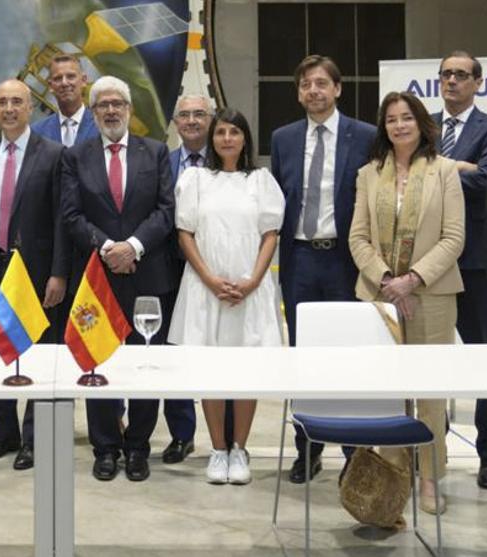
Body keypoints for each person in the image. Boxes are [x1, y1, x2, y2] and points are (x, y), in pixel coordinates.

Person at [350, 91, 465, 513]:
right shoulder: (368, 173)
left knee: (430, 393)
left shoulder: (445, 172)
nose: (399, 126)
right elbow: (357, 237)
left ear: (421, 123)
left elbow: (454, 237)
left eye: (407, 118)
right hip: (378, 299)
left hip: (431, 298)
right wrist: (386, 280)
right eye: (391, 119)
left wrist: (412, 281)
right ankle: (392, 475)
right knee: (388, 393)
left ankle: (431, 478)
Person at [60, 76, 176, 482]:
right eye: (103, 104)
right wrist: (109, 248)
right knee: (98, 363)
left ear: (129, 109)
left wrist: (134, 247)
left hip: (147, 275)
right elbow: (72, 215)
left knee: (145, 365)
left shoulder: (157, 152)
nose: (111, 110)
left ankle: (139, 447)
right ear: (93, 113)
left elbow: (165, 210)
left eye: (118, 103)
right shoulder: (76, 156)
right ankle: (106, 446)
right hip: (98, 277)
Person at [268, 54, 376, 484]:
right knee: (303, 358)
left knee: (351, 357)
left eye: (321, 83)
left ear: (337, 89)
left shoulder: (365, 135)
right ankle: (307, 447)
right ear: (298, 93)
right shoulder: (284, 138)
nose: (313, 91)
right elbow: (278, 200)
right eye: (305, 85)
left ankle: (354, 452)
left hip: (346, 260)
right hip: (299, 260)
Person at [168, 108, 285, 485]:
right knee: (212, 371)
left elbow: (270, 234)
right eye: (221, 132)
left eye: (235, 132)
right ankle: (217, 449)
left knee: (245, 371)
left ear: (245, 138)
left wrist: (251, 281)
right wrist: (210, 279)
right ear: (212, 138)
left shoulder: (261, 180)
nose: (227, 138)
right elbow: (185, 232)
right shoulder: (196, 178)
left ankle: (240, 448)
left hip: (249, 290)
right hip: (206, 288)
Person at [0, 79, 69, 471]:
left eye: (16, 102)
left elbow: (61, 219)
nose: (9, 109)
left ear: (29, 109)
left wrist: (59, 272)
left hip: (36, 274)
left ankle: (35, 439)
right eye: (2, 101)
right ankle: (4, 433)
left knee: (36, 357)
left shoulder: (54, 154)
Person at [434, 50, 487, 490]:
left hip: (477, 265)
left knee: (485, 364)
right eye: (446, 75)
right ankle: (428, 449)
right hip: (431, 266)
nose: (452, 81)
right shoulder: (424, 128)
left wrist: (443, 170)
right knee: (429, 364)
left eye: (461, 75)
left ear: (477, 82)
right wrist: (458, 168)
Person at [158, 95, 214, 465]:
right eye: (185, 115)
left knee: (213, 351)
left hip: (213, 273)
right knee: (172, 351)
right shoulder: (162, 161)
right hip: (168, 271)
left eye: (199, 114)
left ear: (211, 119)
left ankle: (226, 440)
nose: (192, 120)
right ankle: (182, 434)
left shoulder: (227, 162)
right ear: (175, 122)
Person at [30, 54, 98, 148]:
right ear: (50, 86)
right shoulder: (36, 133)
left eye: (70, 76)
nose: (64, 83)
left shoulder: (102, 127)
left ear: (83, 80)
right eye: (58, 78)